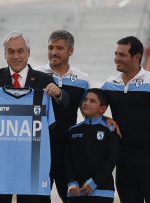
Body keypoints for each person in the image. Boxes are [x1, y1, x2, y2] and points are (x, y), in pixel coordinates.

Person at [0, 31, 69, 203]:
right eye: (11, 51)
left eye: (20, 51)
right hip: (1, 163)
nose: (16, 56)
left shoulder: (44, 79)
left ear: (28, 53)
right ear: (4, 54)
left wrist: (58, 93)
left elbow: (65, 102)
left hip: (32, 163)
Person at [101, 36, 150, 203]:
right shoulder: (109, 83)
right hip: (123, 156)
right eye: (116, 53)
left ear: (137, 57)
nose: (116, 58)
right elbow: (91, 106)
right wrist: (106, 118)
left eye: (122, 55)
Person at [37, 30, 90, 202]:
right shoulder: (35, 75)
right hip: (40, 147)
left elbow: (88, 111)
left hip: (68, 148)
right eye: (50, 47)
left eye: (59, 48)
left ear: (71, 51)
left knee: (71, 198)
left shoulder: (83, 79)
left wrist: (106, 120)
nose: (53, 52)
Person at [64, 88, 119, 203]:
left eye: (92, 101)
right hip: (76, 191)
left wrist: (94, 182)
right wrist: (71, 182)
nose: (86, 103)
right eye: (85, 99)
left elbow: (111, 160)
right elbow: (67, 160)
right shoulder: (72, 130)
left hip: (102, 192)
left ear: (103, 109)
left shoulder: (109, 130)